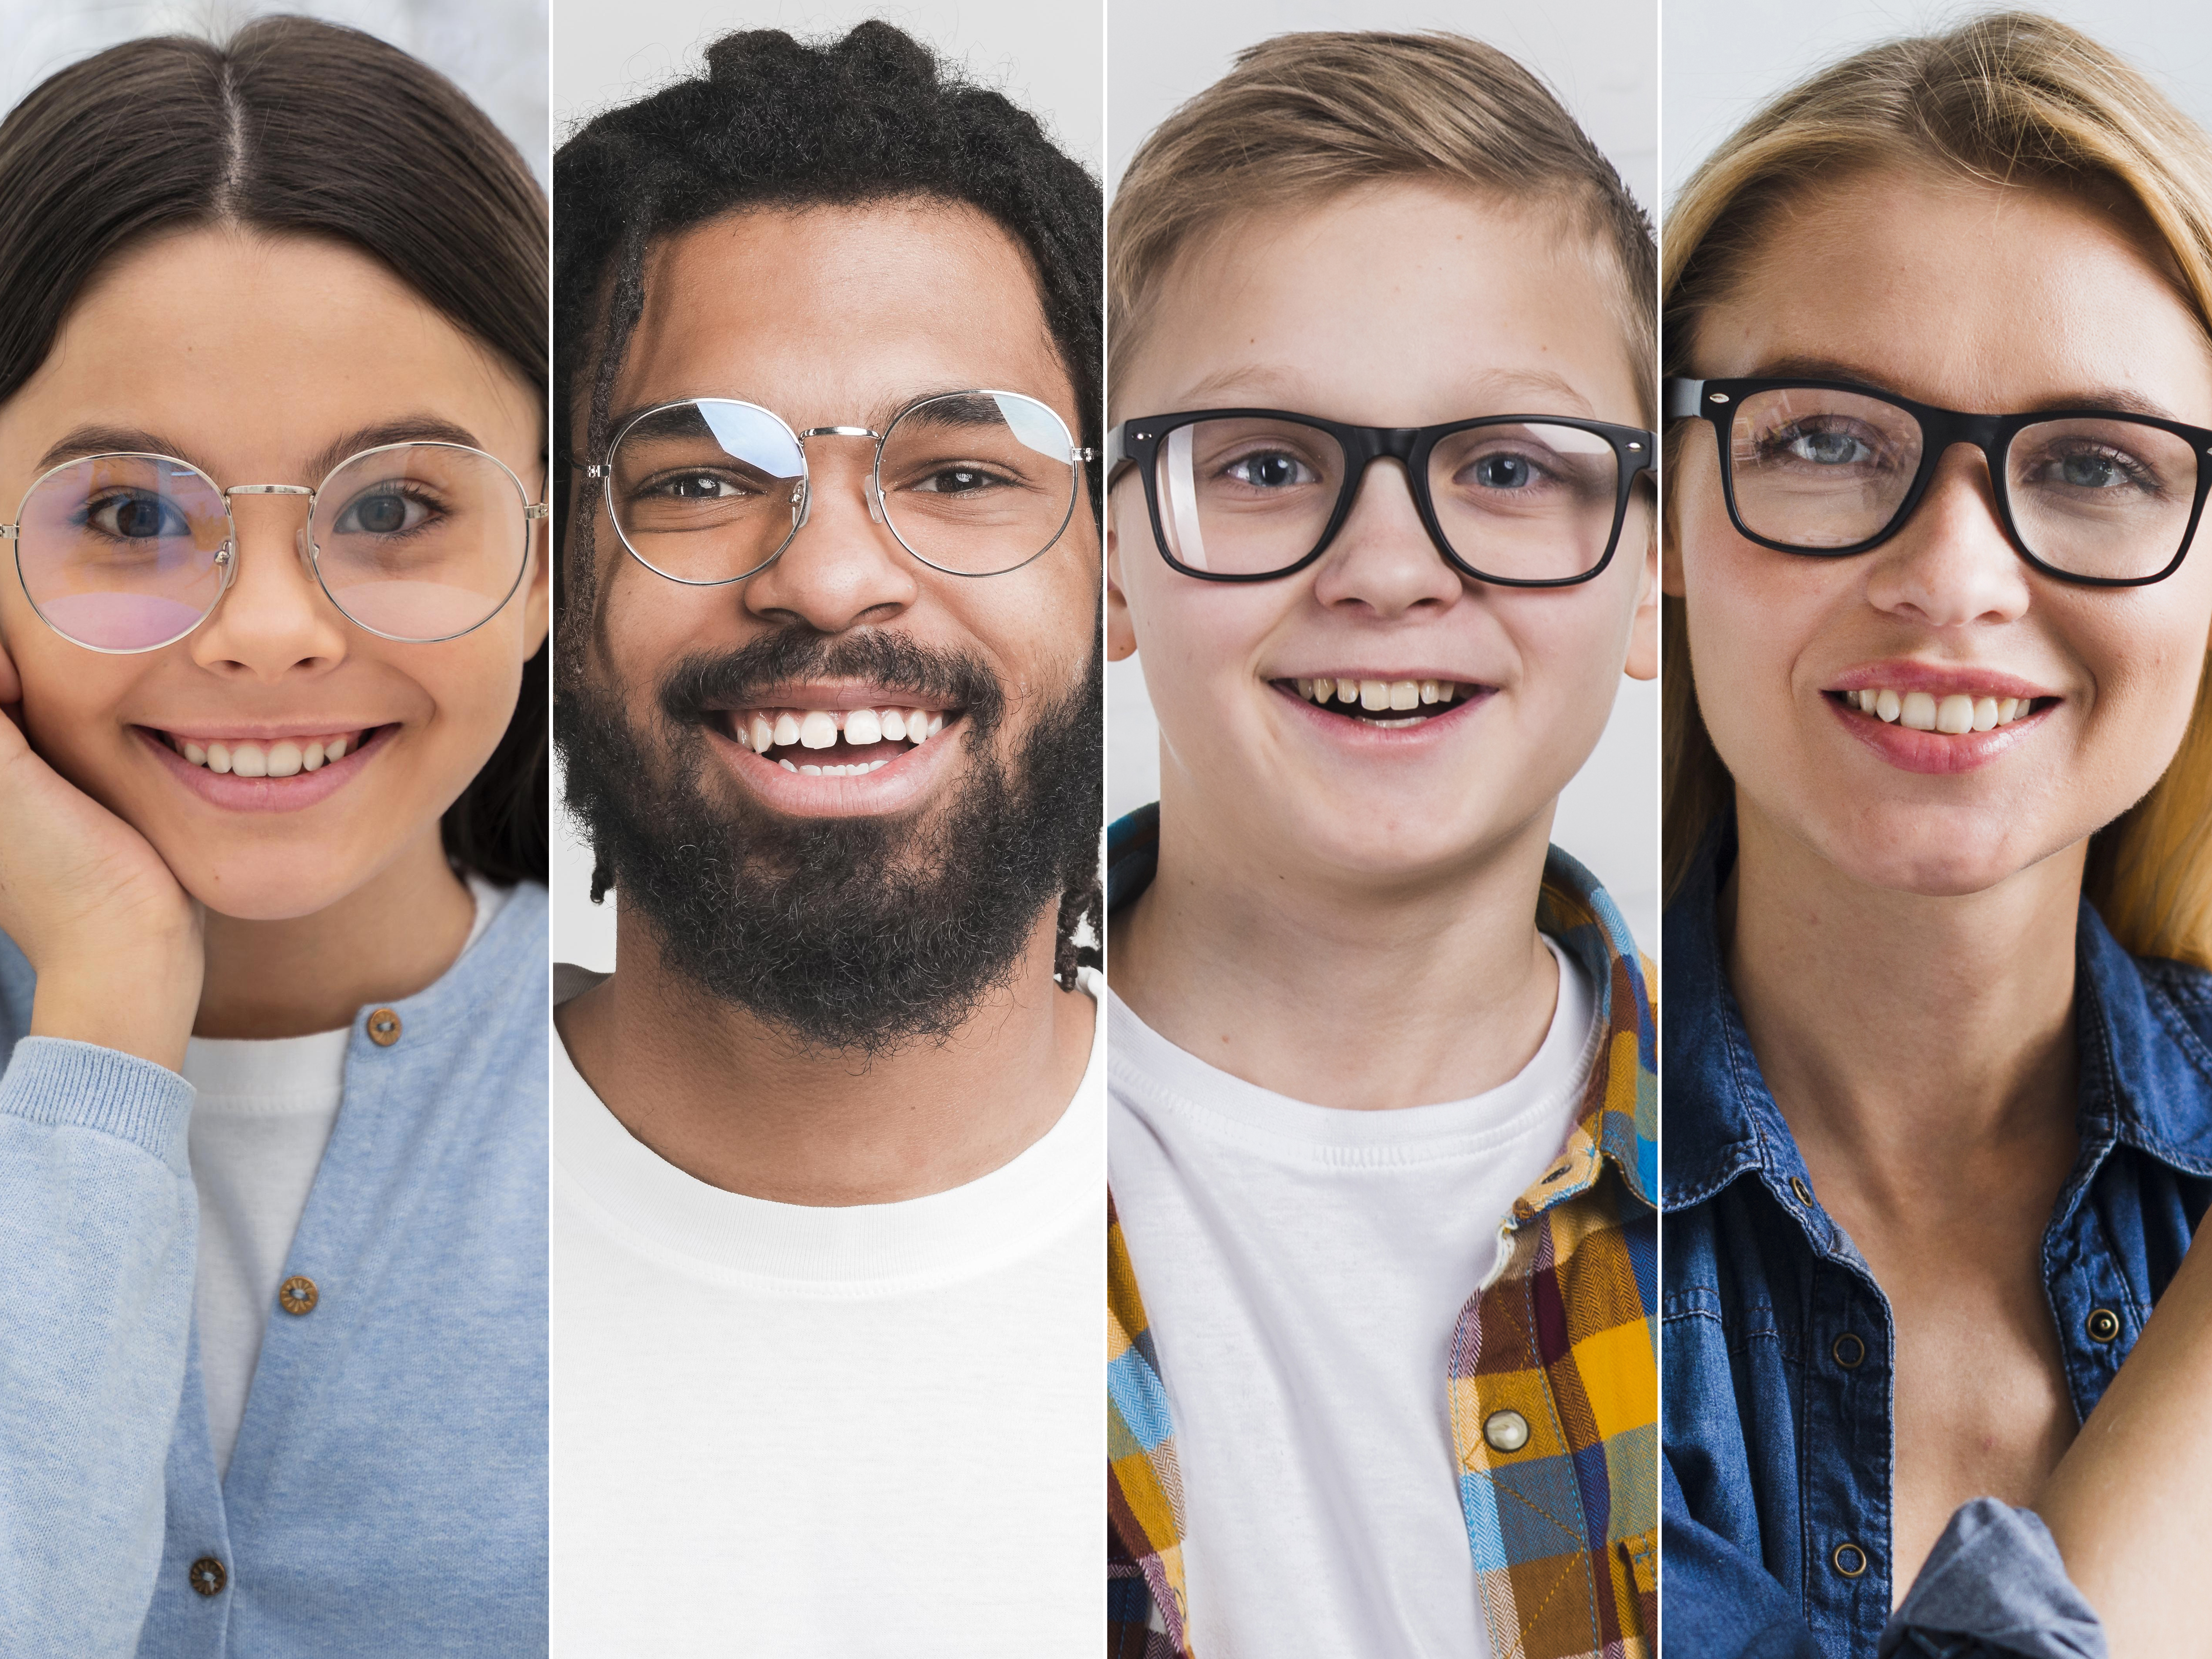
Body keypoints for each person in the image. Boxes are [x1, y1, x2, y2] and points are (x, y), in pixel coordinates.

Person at [1102, 32, 1659, 1659]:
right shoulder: (911, 1143)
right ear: (1117, 559)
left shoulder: (1792, 1199)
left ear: (1647, 568)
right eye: (1268, 465)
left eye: (1503, 468)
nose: (1390, 567)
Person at [549, 22, 1105, 1652]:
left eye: (958, 469)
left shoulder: (1284, 1211)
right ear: (553, 585)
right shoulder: (383, 1209)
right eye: (702, 483)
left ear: (1118, 570)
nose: (831, 574)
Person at [1661, 14, 2212, 1656]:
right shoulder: (1480, 1230)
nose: (1957, 577)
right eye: (1826, 438)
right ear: (1661, 512)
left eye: (2100, 462)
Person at [0, 18, 550, 1657]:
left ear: (546, 556)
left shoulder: (698, 1084)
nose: (267, 631)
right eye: (125, 513)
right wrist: (106, 985)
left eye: (391, 508)